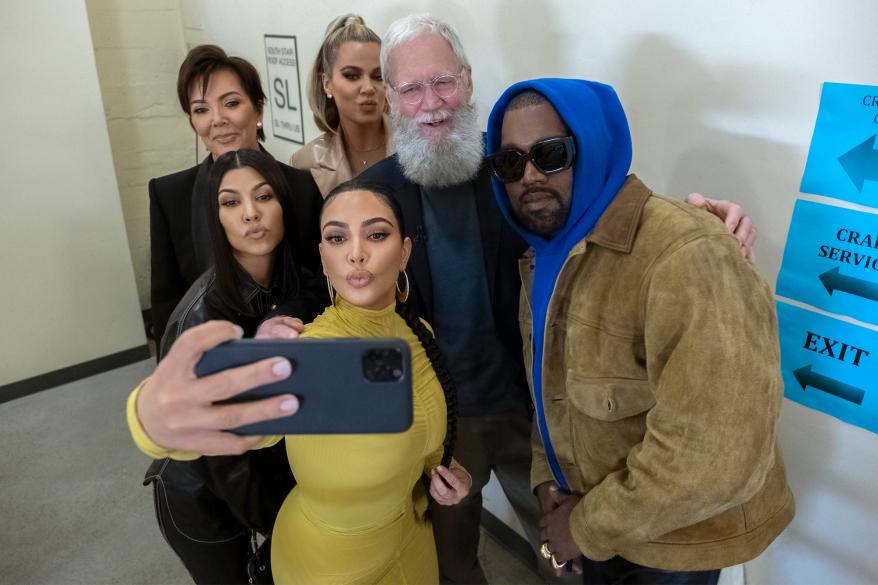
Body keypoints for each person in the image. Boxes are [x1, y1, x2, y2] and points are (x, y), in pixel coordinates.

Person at [355, 14, 759, 584]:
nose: (431, 102)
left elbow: (600, 207)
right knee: (450, 559)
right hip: (443, 425)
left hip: (536, 415)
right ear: (391, 97)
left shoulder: (513, 171)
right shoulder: (374, 197)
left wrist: (701, 225)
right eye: (412, 88)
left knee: (568, 560)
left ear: (467, 81)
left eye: (442, 81)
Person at [485, 79, 794, 584]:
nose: (530, 176)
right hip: (604, 529)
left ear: (592, 145)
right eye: (510, 163)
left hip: (673, 548)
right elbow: (550, 392)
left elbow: (713, 458)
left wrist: (582, 528)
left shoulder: (686, 255)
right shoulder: (545, 257)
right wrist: (548, 483)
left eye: (551, 154)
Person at [129, 179, 474, 584]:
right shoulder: (310, 355)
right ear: (324, 260)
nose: (357, 254)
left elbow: (426, 435)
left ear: (404, 252)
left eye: (376, 234)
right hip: (330, 565)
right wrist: (150, 419)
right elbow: (223, 423)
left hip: (412, 541)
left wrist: (446, 470)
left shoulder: (419, 334)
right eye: (337, 238)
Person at [147, 149, 326, 584]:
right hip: (200, 496)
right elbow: (222, 455)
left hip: (259, 477)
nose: (251, 214)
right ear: (215, 218)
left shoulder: (296, 284)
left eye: (264, 197)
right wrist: (285, 520)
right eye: (230, 202)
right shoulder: (199, 319)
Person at [150, 44, 324, 346]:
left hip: (297, 347)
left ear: (258, 109)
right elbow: (168, 307)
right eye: (201, 110)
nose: (217, 119)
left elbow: (322, 281)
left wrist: (277, 321)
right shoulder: (169, 195)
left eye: (230, 103)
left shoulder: (301, 185)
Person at [290, 15, 392, 196]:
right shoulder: (305, 163)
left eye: (378, 76)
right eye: (352, 76)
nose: (368, 88)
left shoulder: (416, 146)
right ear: (327, 83)